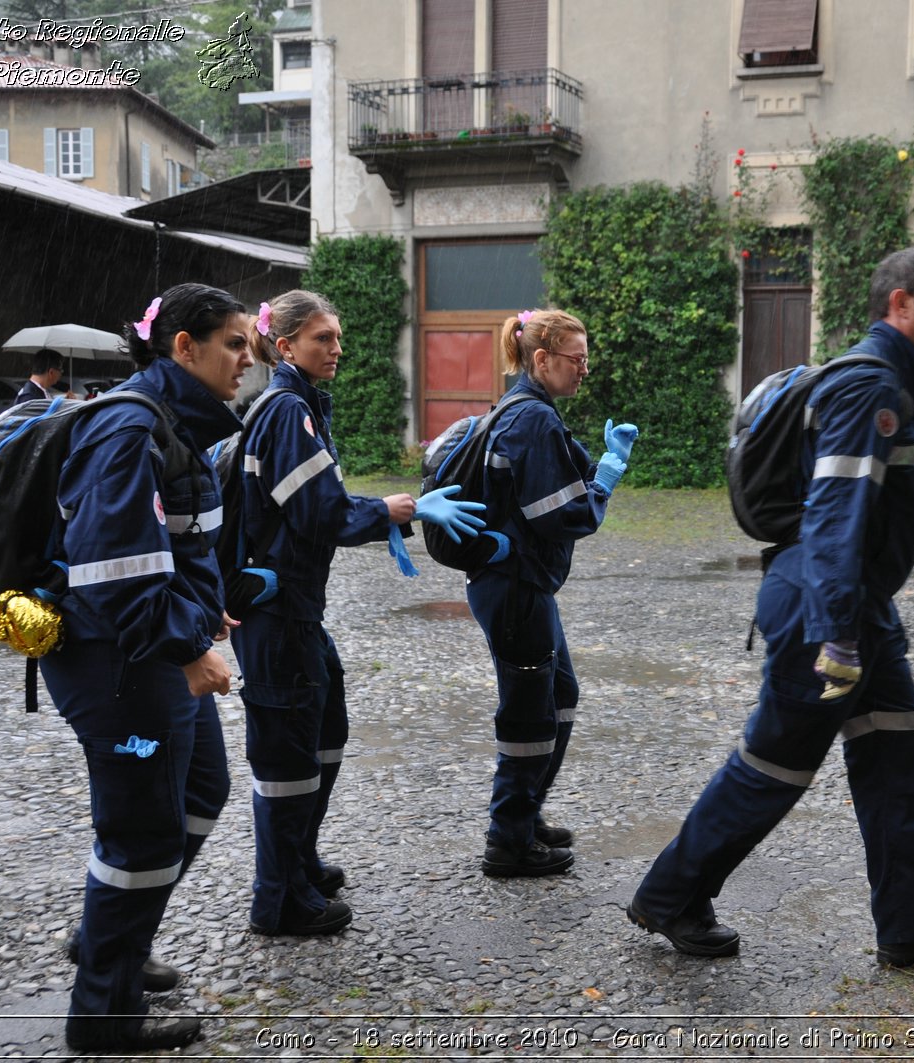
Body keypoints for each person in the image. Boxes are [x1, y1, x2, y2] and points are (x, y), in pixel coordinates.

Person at [629, 249, 914, 969]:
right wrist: (837, 636)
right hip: (826, 607)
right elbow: (834, 520)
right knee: (775, 766)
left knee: (898, 754)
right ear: (900, 306)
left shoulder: (889, 385)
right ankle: (670, 893)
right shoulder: (870, 390)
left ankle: (912, 923)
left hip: (855, 606)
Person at [40, 283, 253, 1053]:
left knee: (201, 790)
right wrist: (190, 647)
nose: (247, 357)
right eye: (233, 341)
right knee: (141, 833)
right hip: (120, 663)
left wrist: (212, 605)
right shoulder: (129, 427)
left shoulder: (171, 420)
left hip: (149, 653)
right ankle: (104, 1011)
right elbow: (115, 574)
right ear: (183, 347)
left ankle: (112, 934)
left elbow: (178, 545)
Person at [233, 290, 485, 935]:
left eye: (338, 337)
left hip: (295, 609)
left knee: (324, 730)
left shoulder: (300, 406)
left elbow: (315, 503)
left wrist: (381, 510)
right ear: (285, 346)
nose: (337, 349)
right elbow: (319, 513)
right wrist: (393, 510)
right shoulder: (288, 409)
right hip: (277, 611)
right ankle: (279, 900)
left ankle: (298, 862)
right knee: (289, 756)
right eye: (322, 338)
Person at [466, 308, 636, 878]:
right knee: (529, 716)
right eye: (576, 359)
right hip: (516, 590)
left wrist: (599, 466)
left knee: (560, 696)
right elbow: (562, 515)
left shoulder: (530, 412)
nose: (584, 370)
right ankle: (507, 841)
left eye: (587, 359)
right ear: (542, 359)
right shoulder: (532, 419)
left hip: (522, 586)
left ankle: (526, 813)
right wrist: (605, 481)